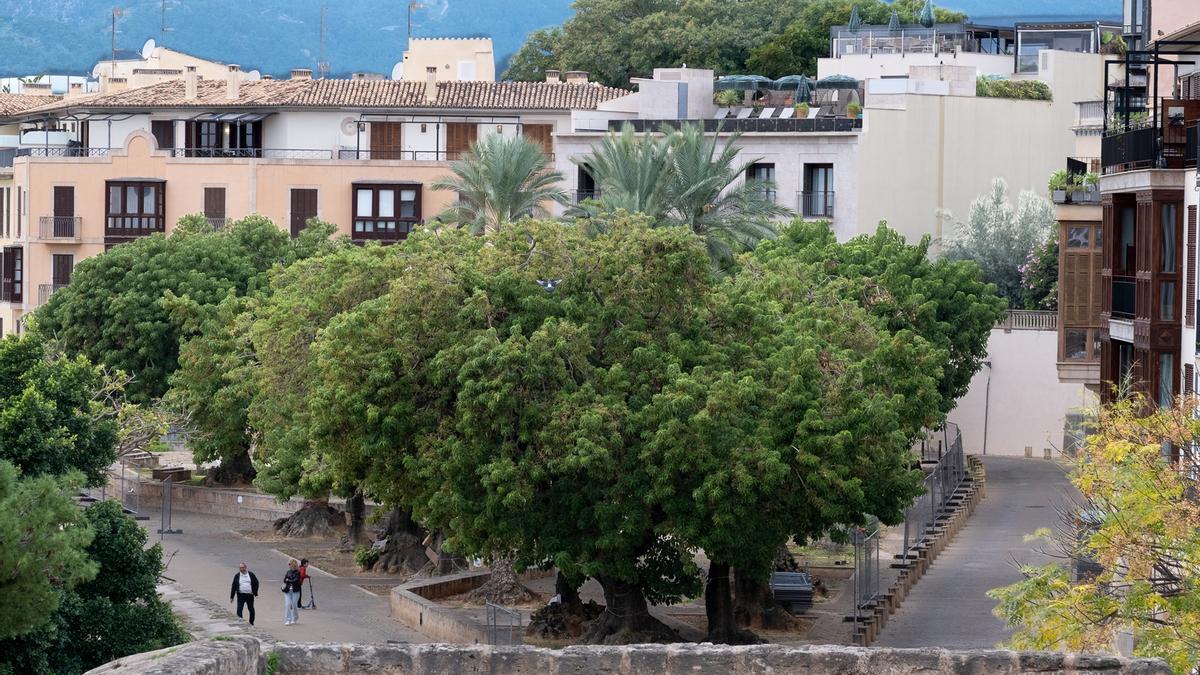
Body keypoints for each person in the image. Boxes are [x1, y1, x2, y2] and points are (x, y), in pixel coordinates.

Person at [282, 559, 302, 625]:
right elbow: (285, 580)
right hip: (287, 591)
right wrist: (289, 580)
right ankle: (288, 619)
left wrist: (289, 580)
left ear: (293, 564)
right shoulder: (288, 572)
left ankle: (295, 618)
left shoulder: (298, 572)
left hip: (295, 591)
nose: (288, 565)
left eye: (289, 564)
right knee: (287, 604)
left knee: (294, 605)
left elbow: (296, 581)